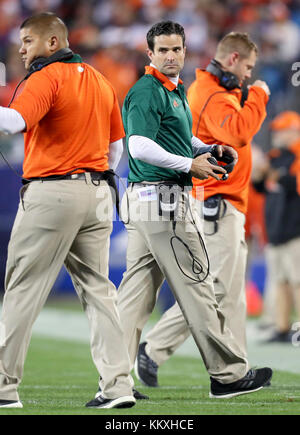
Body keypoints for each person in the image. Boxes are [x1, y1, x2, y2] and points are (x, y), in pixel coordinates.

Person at [92, 21, 273, 401]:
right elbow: (139, 146)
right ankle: (227, 375)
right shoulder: (147, 90)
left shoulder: (172, 91)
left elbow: (179, 137)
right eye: (164, 50)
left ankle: (115, 382)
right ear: (150, 54)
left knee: (134, 298)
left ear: (185, 51)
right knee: (198, 286)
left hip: (149, 202)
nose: (171, 56)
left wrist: (206, 149)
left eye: (177, 49)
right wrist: (190, 165)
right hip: (164, 203)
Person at [0, 12, 136, 410]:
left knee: (23, 289)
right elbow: (117, 144)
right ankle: (118, 386)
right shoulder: (99, 79)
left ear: (53, 43)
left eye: (28, 41)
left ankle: (3, 387)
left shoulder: (46, 76)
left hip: (53, 193)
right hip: (96, 196)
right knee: (99, 292)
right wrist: (103, 177)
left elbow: (15, 122)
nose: (22, 49)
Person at [253, 111, 300, 343]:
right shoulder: (274, 156)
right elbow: (263, 189)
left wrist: (276, 176)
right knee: (280, 282)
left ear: (294, 130)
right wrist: (259, 177)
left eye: (282, 129)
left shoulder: (297, 155)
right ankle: (282, 328)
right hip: (276, 229)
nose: (277, 134)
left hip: (295, 230)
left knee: (298, 282)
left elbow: (295, 185)